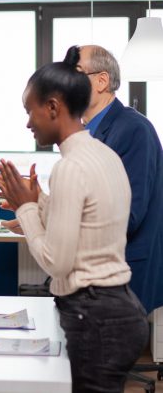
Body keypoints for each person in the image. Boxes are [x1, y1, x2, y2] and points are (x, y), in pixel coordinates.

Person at [0, 62, 149, 392]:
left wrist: (26, 209)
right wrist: (40, 202)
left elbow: (56, 261)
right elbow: (91, 224)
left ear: (52, 107)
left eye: (29, 111)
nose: (27, 123)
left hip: (95, 316)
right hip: (121, 308)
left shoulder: (69, 167)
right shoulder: (103, 155)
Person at [63, 44, 163, 314]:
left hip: (123, 273)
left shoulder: (134, 130)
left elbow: (127, 216)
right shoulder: (88, 133)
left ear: (101, 80)